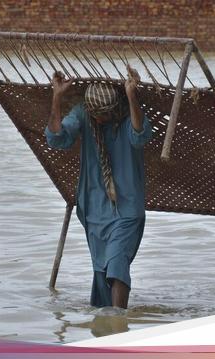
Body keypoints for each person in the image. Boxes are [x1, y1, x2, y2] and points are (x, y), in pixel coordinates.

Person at [45, 66, 152, 309]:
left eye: (105, 115)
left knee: (116, 262)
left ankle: (117, 322)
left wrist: (132, 95)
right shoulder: (84, 113)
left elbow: (140, 135)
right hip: (94, 208)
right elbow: (56, 138)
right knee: (100, 270)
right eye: (97, 116)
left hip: (127, 208)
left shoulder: (126, 115)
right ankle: (104, 327)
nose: (100, 119)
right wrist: (57, 96)